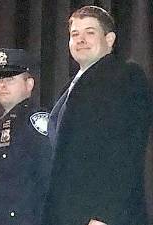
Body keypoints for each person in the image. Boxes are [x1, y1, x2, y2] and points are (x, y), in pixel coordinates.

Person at [43, 6, 152, 225]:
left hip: (99, 216)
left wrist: (105, 215)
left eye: (90, 32)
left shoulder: (125, 76)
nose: (80, 39)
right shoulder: (71, 88)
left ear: (109, 39)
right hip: (67, 214)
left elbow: (126, 150)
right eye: (75, 34)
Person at [0, 48, 52, 225]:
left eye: (10, 79)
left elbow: (47, 180)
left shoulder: (37, 122)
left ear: (29, 84)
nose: (2, 85)